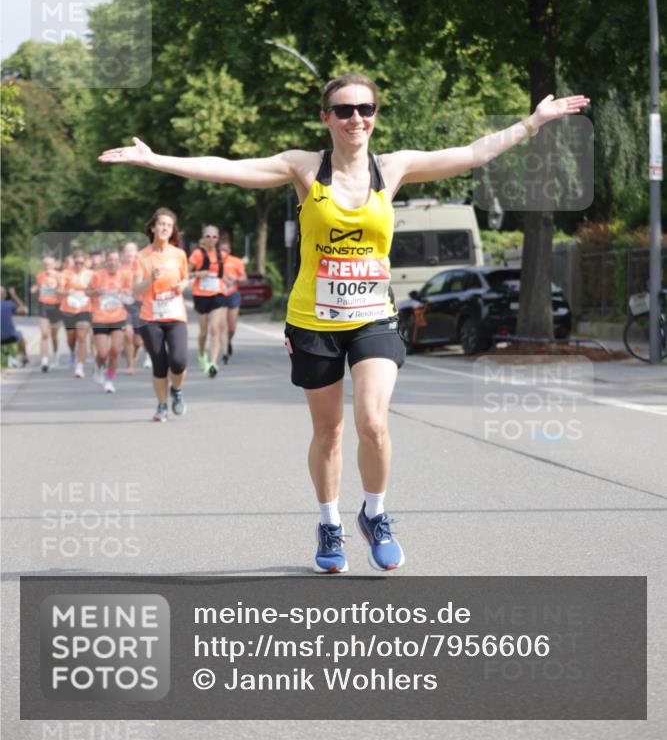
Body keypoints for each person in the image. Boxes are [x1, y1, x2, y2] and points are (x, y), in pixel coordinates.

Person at [99, 75, 589, 571]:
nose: (357, 118)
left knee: (373, 423)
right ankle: (330, 524)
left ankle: (374, 513)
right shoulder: (304, 167)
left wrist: (533, 122)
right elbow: (227, 169)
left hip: (373, 315)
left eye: (366, 108)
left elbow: (472, 152)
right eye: (344, 110)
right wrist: (155, 158)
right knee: (329, 431)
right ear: (326, 117)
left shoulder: (393, 167)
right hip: (313, 320)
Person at [133, 208, 190, 422]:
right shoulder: (142, 256)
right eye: (161, 224)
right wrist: (150, 279)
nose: (165, 227)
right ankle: (162, 405)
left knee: (179, 361)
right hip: (151, 317)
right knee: (159, 364)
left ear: (172, 229)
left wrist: (182, 285)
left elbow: (185, 279)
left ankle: (177, 389)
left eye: (169, 225)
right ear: (153, 227)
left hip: (175, 315)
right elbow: (135, 290)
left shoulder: (179, 254)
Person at [87, 249, 127, 393]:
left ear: (119, 262)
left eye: (116, 260)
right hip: (100, 318)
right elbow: (87, 292)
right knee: (103, 353)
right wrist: (96, 292)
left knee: (115, 351)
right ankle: (98, 367)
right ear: (106, 261)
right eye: (110, 260)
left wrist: (126, 295)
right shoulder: (98, 275)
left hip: (119, 317)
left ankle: (109, 379)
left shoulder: (124, 276)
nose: (113, 263)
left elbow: (132, 294)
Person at [188, 225, 226, 377]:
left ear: (217, 239)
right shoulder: (197, 254)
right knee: (203, 332)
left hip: (217, 293)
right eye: (208, 236)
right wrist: (198, 273)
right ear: (203, 238)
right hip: (201, 294)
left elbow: (223, 274)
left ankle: (213, 362)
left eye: (214, 236)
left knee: (215, 328)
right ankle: (202, 355)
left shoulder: (221, 255)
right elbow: (185, 273)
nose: (211, 239)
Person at [58, 250, 93, 378]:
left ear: (85, 262)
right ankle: (72, 351)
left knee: (81, 336)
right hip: (68, 308)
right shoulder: (66, 274)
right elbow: (59, 291)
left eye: (81, 262)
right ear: (73, 261)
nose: (78, 265)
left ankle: (79, 367)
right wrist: (67, 292)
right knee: (71, 336)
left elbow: (95, 290)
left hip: (85, 308)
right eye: (76, 262)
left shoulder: (91, 274)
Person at [218, 230, 247, 364]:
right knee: (222, 325)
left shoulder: (236, 261)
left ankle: (228, 341)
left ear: (229, 249)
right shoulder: (214, 262)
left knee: (231, 327)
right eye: (222, 249)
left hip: (233, 294)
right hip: (220, 293)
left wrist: (236, 278)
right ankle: (224, 352)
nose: (224, 251)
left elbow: (244, 278)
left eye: (226, 248)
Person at [31, 256, 62, 371]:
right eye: (45, 264)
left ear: (54, 265)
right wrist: (34, 288)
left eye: (49, 264)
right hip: (43, 305)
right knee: (44, 334)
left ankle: (55, 353)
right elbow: (36, 287)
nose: (47, 266)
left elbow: (63, 290)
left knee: (54, 335)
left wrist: (56, 286)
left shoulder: (59, 275)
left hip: (56, 306)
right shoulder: (40, 275)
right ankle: (44, 360)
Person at [120, 241, 146, 374]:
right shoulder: (119, 269)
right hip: (124, 305)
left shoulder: (141, 268)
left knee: (138, 341)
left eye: (132, 250)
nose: (130, 253)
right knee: (128, 334)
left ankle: (133, 353)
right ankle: (130, 365)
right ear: (123, 254)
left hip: (139, 304)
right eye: (127, 251)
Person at [0, 286, 29, 366]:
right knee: (21, 335)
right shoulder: (9, 304)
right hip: (11, 336)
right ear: (5, 295)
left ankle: (8, 356)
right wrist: (14, 295)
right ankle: (24, 357)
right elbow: (24, 310)